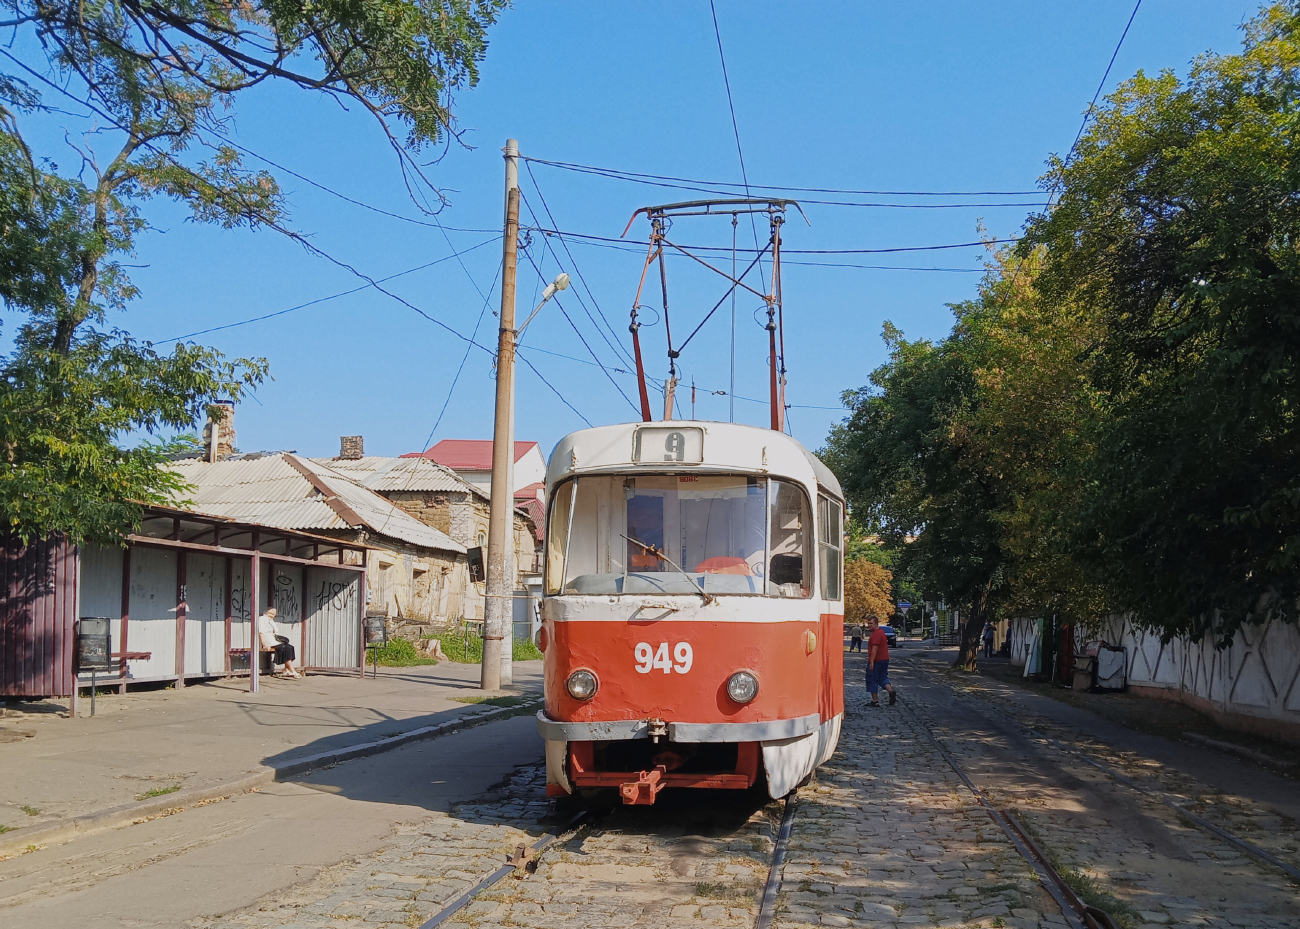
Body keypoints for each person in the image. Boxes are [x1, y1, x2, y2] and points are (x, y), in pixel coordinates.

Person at [257, 607, 300, 678]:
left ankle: (286, 669)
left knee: (290, 647)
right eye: (270, 613)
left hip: (274, 640)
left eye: (273, 614)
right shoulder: (262, 619)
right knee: (286, 648)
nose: (271, 615)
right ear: (266, 612)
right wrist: (265, 644)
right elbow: (261, 633)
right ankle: (292, 670)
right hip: (268, 641)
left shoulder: (271, 621)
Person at [865, 614, 897, 707]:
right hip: (885, 659)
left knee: (872, 679)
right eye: (868, 623)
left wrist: (871, 662)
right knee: (883, 677)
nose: (869, 625)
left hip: (877, 660)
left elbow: (875, 649)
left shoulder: (876, 634)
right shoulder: (881, 632)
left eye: (871, 623)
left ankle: (875, 701)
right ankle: (891, 691)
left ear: (876, 624)